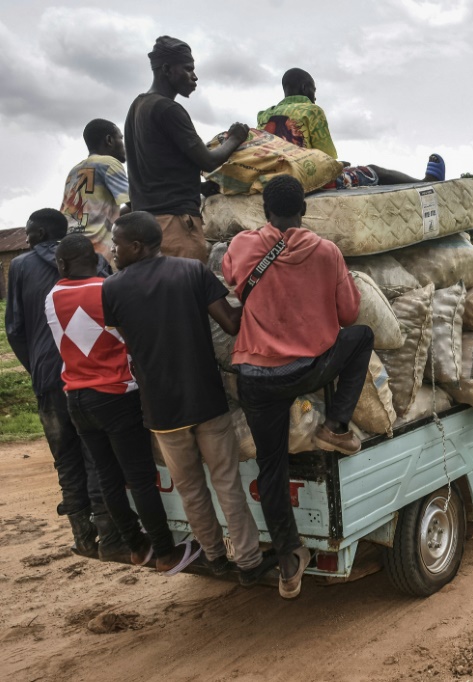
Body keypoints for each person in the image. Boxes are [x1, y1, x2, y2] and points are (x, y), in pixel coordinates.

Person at [102, 211, 277, 586]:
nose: (112, 251)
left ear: (136, 245)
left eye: (116, 244)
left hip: (161, 410)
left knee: (191, 490)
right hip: (206, 400)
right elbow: (231, 323)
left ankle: (214, 558)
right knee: (227, 483)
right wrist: (262, 291)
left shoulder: (112, 288)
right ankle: (248, 563)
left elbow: (124, 335)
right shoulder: (191, 272)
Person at [222, 175, 374, 598]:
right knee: (361, 337)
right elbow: (349, 313)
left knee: (272, 468)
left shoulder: (243, 245)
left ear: (265, 211)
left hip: (255, 377)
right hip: (307, 370)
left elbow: (231, 276)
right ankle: (337, 425)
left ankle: (290, 558)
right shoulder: (326, 251)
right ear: (303, 210)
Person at [45, 235, 200, 574]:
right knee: (140, 478)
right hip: (116, 395)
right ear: (96, 257)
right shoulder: (110, 289)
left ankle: (135, 546)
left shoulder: (52, 298)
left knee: (107, 477)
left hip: (77, 398)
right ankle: (165, 552)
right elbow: (130, 337)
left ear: (61, 265)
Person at [4, 209, 128, 560]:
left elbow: (14, 329)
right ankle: (110, 533)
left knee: (66, 459)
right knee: (97, 455)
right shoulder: (95, 261)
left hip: (49, 381)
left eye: (29, 234)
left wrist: (39, 371)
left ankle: (83, 536)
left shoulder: (21, 267)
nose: (26, 240)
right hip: (94, 377)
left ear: (41, 232)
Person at [124, 36, 251, 263]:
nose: (194, 76)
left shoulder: (138, 106)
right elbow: (209, 161)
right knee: (183, 294)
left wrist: (201, 186)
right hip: (175, 225)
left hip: (144, 223)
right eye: (188, 69)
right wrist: (235, 138)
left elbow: (160, 168)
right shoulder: (168, 109)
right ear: (166, 69)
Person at [256, 68, 444, 189]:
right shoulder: (312, 111)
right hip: (310, 181)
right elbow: (326, 159)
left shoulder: (264, 115)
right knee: (374, 171)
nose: (315, 97)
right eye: (314, 90)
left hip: (273, 181)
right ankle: (426, 184)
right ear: (306, 88)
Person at [60, 119, 130, 265]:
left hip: (70, 254)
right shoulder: (108, 163)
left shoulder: (74, 171)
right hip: (99, 255)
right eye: (121, 138)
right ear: (109, 140)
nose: (124, 144)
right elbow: (136, 203)